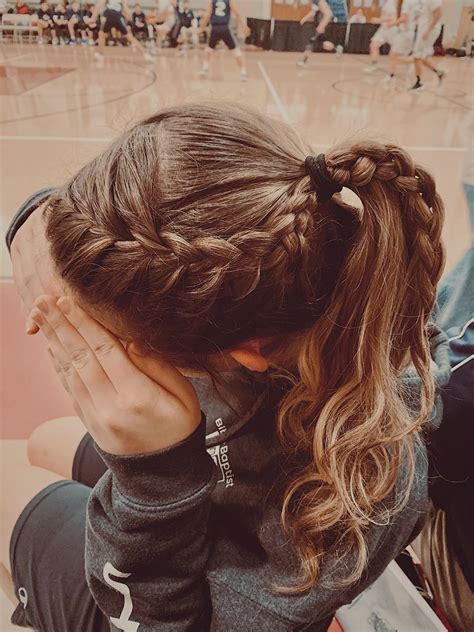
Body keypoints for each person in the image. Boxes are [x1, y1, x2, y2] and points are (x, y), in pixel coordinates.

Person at [1, 102, 455, 630]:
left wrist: (153, 480)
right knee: (41, 441)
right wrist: (37, 220)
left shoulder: (354, 504)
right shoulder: (280, 265)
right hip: (211, 475)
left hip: (166, 597)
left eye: (119, 340)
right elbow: (153, 213)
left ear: (246, 353)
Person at [199, 0, 250, 80]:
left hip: (215, 29)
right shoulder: (228, 1)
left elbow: (207, 15)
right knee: (235, 50)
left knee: (209, 49)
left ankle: (204, 68)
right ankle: (243, 72)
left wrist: (201, 28)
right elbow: (237, 14)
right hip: (225, 28)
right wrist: (243, 26)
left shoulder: (213, 2)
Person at [409, 0, 445, 92]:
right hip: (423, 29)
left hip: (429, 31)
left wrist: (428, 30)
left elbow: (439, 14)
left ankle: (419, 83)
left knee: (417, 55)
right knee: (421, 56)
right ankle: (439, 72)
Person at [385, 0, 419, 83]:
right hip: (410, 32)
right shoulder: (415, 3)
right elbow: (416, 17)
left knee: (392, 55)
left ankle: (417, 60)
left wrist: (392, 24)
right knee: (398, 55)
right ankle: (391, 76)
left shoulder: (407, 3)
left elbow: (404, 18)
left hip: (405, 33)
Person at [297, 0, 334, 68]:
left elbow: (329, 14)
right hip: (317, 26)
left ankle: (303, 61)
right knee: (322, 44)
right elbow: (313, 12)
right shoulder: (315, 2)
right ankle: (337, 48)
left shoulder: (321, 2)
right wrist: (304, 19)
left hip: (322, 27)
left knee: (310, 43)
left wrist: (322, 25)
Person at [364, 0, 398, 73]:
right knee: (373, 45)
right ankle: (373, 65)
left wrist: (378, 20)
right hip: (383, 29)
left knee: (398, 51)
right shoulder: (385, 3)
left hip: (391, 30)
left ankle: (412, 61)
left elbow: (390, 18)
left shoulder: (390, 4)